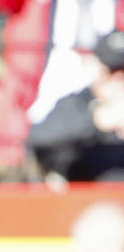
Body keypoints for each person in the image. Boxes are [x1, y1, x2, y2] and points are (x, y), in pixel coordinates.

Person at [30, 29, 124, 182]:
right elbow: (37, 138)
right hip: (88, 199)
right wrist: (96, 121)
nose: (120, 79)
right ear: (97, 69)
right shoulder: (78, 105)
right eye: (112, 71)